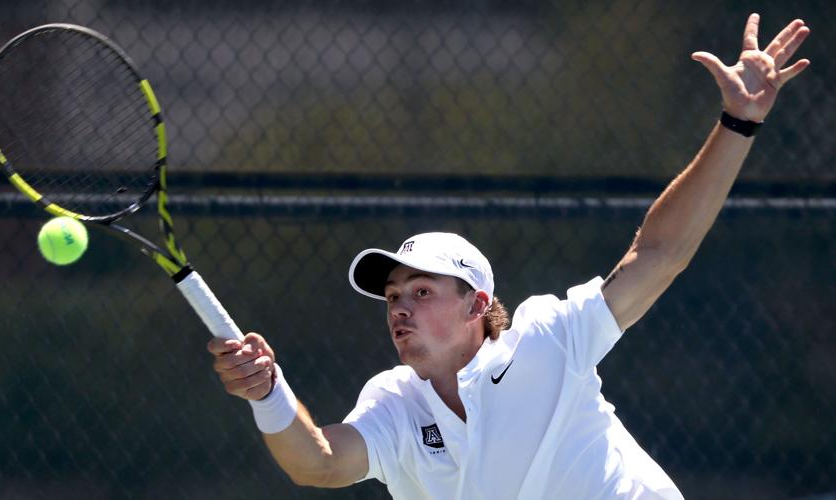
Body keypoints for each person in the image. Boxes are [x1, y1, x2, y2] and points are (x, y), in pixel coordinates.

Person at [207, 14, 810, 499]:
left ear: (479, 305)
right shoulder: (394, 404)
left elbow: (658, 254)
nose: (400, 309)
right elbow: (318, 464)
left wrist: (738, 123)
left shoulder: (550, 336)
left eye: (422, 292)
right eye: (392, 297)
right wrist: (267, 393)